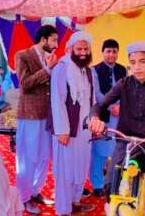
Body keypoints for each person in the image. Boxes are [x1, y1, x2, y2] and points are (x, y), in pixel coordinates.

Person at [88, 41, 145, 216]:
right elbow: (99, 105)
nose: (137, 67)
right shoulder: (123, 84)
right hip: (126, 142)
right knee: (110, 183)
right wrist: (94, 117)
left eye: (142, 61)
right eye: (132, 62)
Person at [49, 31, 95, 216]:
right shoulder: (62, 67)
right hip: (66, 131)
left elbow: (91, 101)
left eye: (86, 48)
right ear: (71, 49)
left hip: (84, 130)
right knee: (65, 171)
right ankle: (63, 210)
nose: (83, 52)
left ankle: (75, 202)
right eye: (79, 48)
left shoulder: (88, 70)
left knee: (81, 167)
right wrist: (61, 130)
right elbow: (57, 100)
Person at [15, 25, 58, 214]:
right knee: (27, 158)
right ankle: (23, 198)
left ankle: (35, 191)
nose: (56, 44)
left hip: (47, 116)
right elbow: (24, 84)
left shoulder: (50, 58)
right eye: (54, 40)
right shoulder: (23, 55)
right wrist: (48, 70)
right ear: (43, 39)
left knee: (43, 157)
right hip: (30, 115)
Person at [89, 39, 127, 197]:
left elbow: (126, 90)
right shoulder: (94, 70)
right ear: (103, 52)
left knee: (118, 149)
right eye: (108, 51)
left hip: (119, 116)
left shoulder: (123, 69)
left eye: (114, 51)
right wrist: (111, 106)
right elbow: (96, 93)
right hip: (103, 115)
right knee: (99, 151)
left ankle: (114, 182)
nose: (111, 54)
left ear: (118, 53)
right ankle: (97, 184)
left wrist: (121, 106)